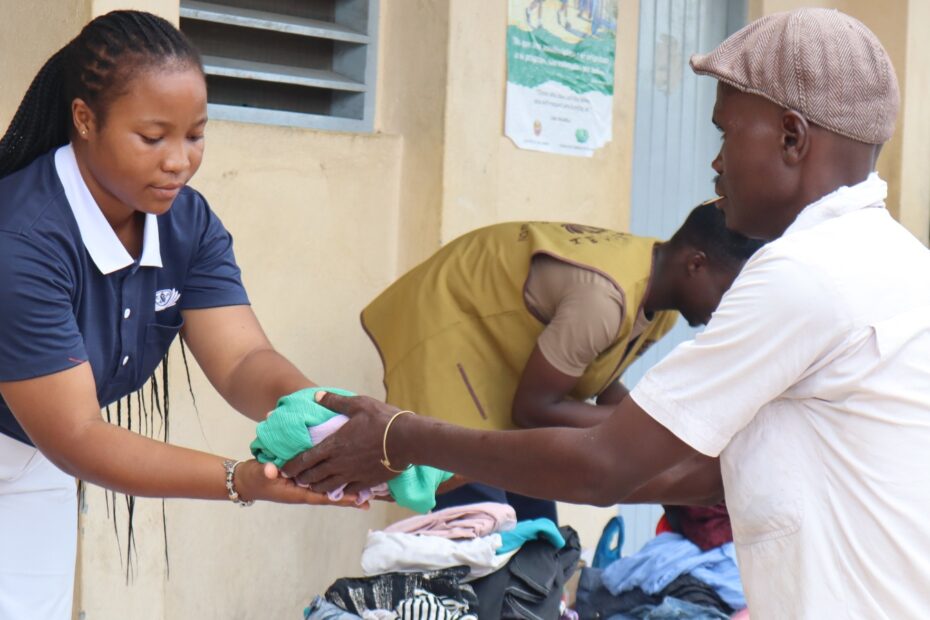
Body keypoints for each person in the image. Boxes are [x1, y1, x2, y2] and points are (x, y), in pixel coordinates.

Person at [281, 9, 930, 617]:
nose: (715, 162)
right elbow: (710, 472)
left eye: (725, 132)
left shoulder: (802, 274)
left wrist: (402, 438)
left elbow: (606, 465)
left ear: (792, 137)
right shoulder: (897, 262)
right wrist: (437, 454)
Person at [0, 11, 352, 619]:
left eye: (195, 135)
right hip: (52, 442)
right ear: (85, 119)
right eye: (152, 137)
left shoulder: (187, 222)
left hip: (33, 454)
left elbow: (242, 359)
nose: (179, 161)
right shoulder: (21, 240)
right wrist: (240, 479)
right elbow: (78, 435)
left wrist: (325, 417)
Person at [361, 208, 760, 521]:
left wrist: (658, 421)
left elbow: (599, 379)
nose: (731, 308)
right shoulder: (603, 301)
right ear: (695, 264)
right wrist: (644, 424)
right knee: (473, 497)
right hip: (449, 319)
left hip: (501, 348)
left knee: (534, 510)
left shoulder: (660, 308)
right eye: (729, 291)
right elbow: (534, 409)